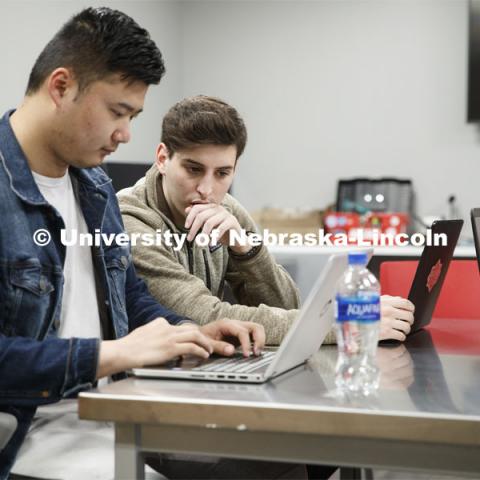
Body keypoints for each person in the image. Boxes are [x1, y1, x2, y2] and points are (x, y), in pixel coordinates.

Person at [0, 9, 306, 480]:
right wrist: (115, 355)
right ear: (60, 87)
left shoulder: (93, 189)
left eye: (133, 116)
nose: (125, 134)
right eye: (117, 113)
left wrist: (191, 330)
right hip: (28, 441)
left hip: (118, 422)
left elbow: (129, 297)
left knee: (294, 458)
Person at [118, 95, 415, 346]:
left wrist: (245, 249)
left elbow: (287, 307)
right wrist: (344, 322)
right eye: (193, 169)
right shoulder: (129, 221)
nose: (207, 189)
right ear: (162, 158)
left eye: (222, 173)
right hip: (150, 384)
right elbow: (206, 319)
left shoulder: (226, 210)